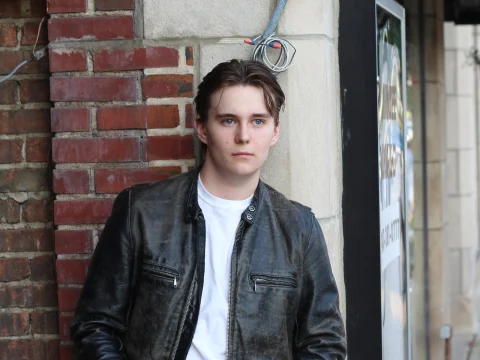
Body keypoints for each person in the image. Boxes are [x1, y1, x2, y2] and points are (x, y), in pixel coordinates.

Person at [71, 59, 347, 359]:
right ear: (202, 128)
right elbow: (95, 325)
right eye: (228, 120)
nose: (244, 135)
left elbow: (324, 343)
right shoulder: (141, 212)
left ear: (275, 131)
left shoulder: (298, 227)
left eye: (258, 121)